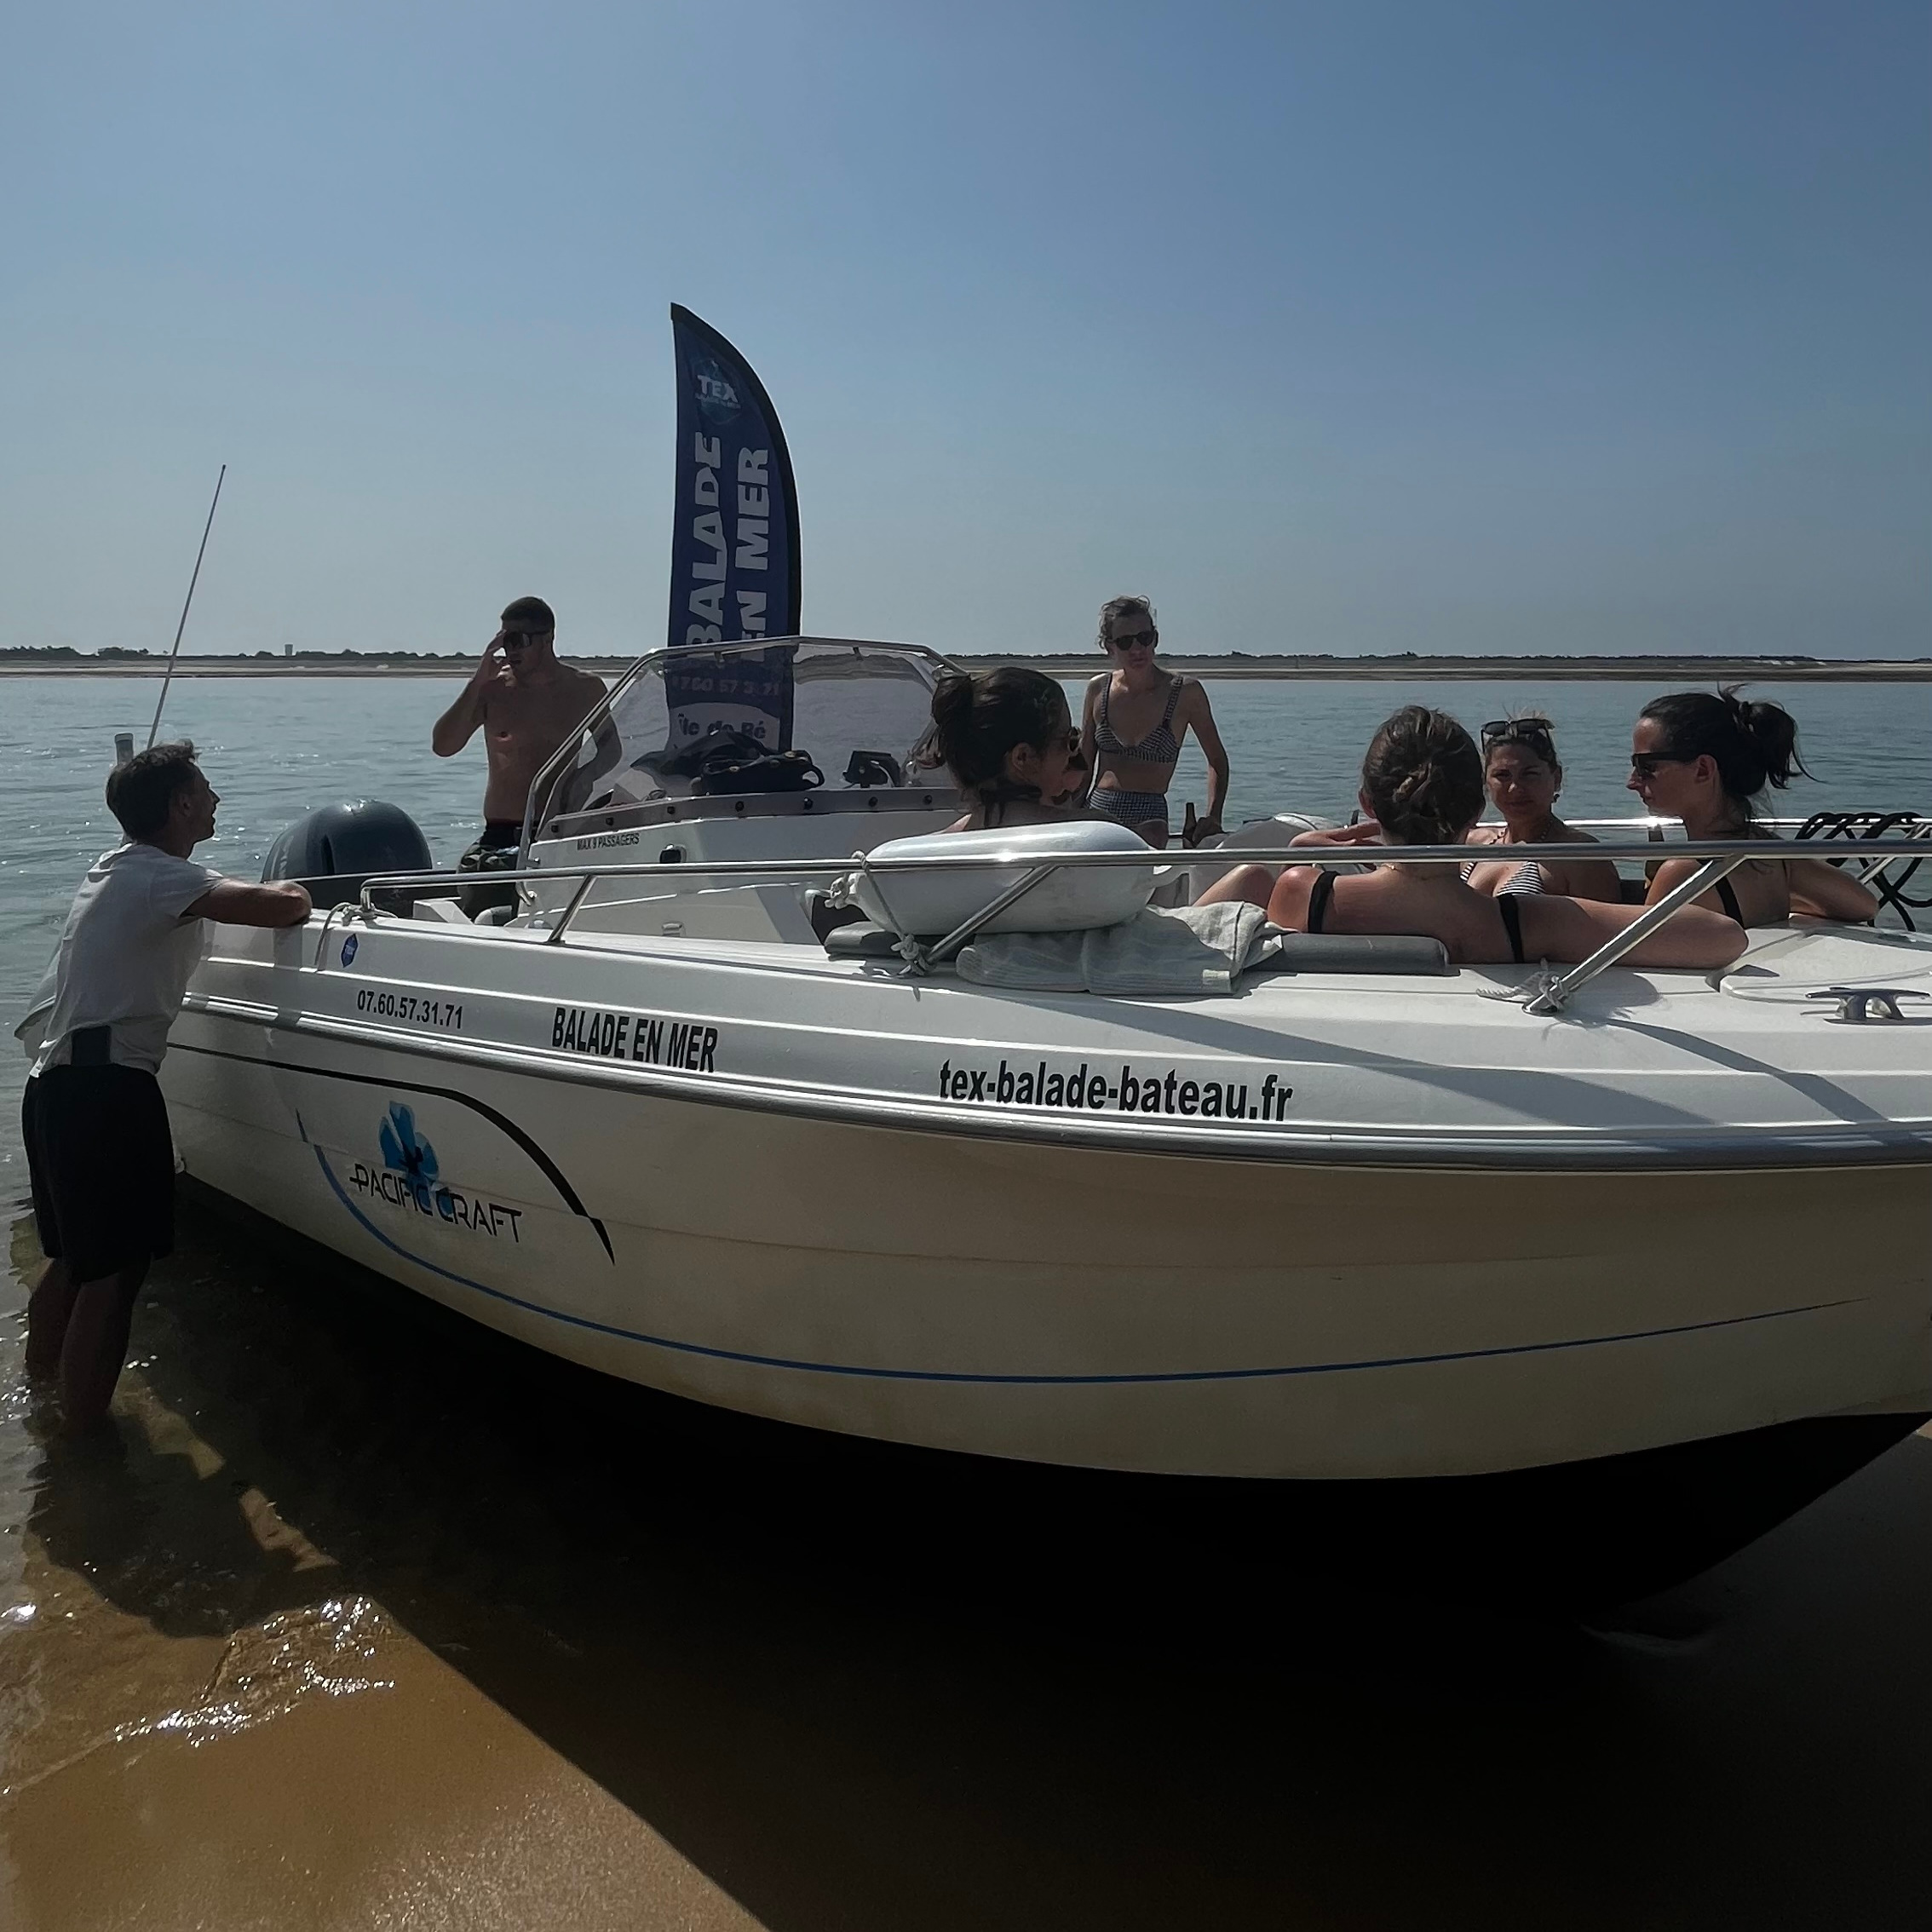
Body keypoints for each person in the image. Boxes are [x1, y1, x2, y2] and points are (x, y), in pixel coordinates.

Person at [20, 742, 311, 1432]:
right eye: (205, 790)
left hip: (55, 1085)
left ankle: (41, 1400)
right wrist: (302, 889)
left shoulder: (113, 868)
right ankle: (84, 1437)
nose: (215, 800)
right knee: (113, 1274)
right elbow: (278, 907)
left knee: (70, 1260)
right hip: (105, 1091)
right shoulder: (159, 877)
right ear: (180, 805)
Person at [1199, 707, 1745, 969]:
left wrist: (1314, 856)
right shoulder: (1525, 920)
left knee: (1248, 872)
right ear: (1478, 806)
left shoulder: (1301, 889)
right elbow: (1724, 937)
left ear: (1369, 805)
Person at [1629, 690, 1878, 927]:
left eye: (1646, 767)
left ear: (1703, 769)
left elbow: (1631, 956)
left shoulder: (1685, 873)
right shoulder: (1771, 855)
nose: (1632, 782)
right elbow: (1865, 905)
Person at [430, 596, 609, 914]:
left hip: (557, 832)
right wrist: (477, 682)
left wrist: (579, 783)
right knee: (486, 918)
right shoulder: (493, 691)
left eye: (519, 640)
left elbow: (612, 751)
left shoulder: (585, 689)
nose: (510, 650)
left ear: (548, 639)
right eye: (504, 641)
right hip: (499, 833)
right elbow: (444, 746)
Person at [1079, 596, 1230, 848]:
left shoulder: (1185, 693)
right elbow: (1084, 763)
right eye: (1126, 642)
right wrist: (1070, 814)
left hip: (1150, 816)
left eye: (1144, 638)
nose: (1137, 648)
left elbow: (1217, 760)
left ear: (1155, 639)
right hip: (1098, 812)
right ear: (1109, 647)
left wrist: (1214, 815)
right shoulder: (1098, 689)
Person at [1463, 715, 1622, 903]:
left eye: (1529, 774)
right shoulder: (1473, 843)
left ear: (1556, 778)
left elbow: (1606, 930)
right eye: (1502, 775)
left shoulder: (1579, 856)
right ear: (1486, 781)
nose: (1515, 787)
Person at [930, 668, 1090, 831]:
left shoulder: (929, 848)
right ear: (1023, 757)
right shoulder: (1095, 830)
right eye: (1070, 740)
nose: (1073, 753)